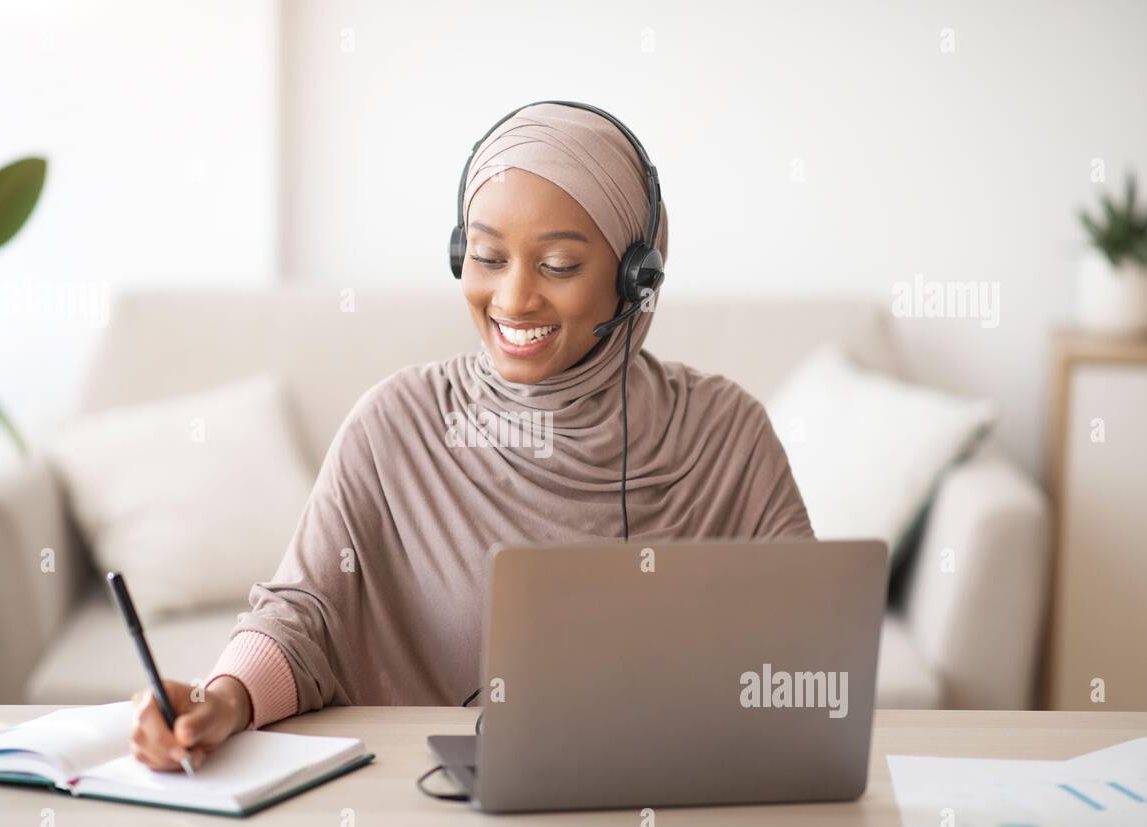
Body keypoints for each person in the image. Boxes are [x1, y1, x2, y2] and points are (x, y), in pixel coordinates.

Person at [129, 102, 814, 771]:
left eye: (558, 266)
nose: (513, 299)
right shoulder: (397, 424)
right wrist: (223, 699)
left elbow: (810, 650)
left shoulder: (727, 434)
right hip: (440, 816)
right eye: (488, 256)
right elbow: (303, 618)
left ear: (636, 280)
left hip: (681, 810)